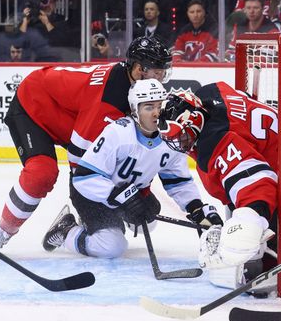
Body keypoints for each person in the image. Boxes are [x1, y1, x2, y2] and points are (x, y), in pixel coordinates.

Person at [0, 36, 173, 250]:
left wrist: (139, 193)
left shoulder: (135, 89)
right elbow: (81, 166)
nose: (162, 77)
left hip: (69, 119)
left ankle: (78, 224)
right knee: (42, 173)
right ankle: (3, 230)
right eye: (158, 71)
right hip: (33, 106)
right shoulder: (108, 102)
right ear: (138, 70)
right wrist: (116, 200)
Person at [158, 83, 281, 293]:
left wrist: (248, 228)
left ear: (195, 122)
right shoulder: (210, 95)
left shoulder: (217, 140)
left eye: (183, 136)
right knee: (255, 228)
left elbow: (259, 185)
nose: (180, 143)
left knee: (258, 262)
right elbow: (241, 97)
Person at [42, 79, 221, 258]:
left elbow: (178, 181)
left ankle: (99, 223)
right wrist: (122, 197)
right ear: (135, 111)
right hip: (91, 195)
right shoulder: (118, 134)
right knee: (111, 247)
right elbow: (83, 178)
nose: (156, 113)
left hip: (129, 192)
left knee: (148, 223)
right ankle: (67, 231)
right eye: (149, 107)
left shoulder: (170, 137)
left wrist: (196, 208)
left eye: (160, 106)